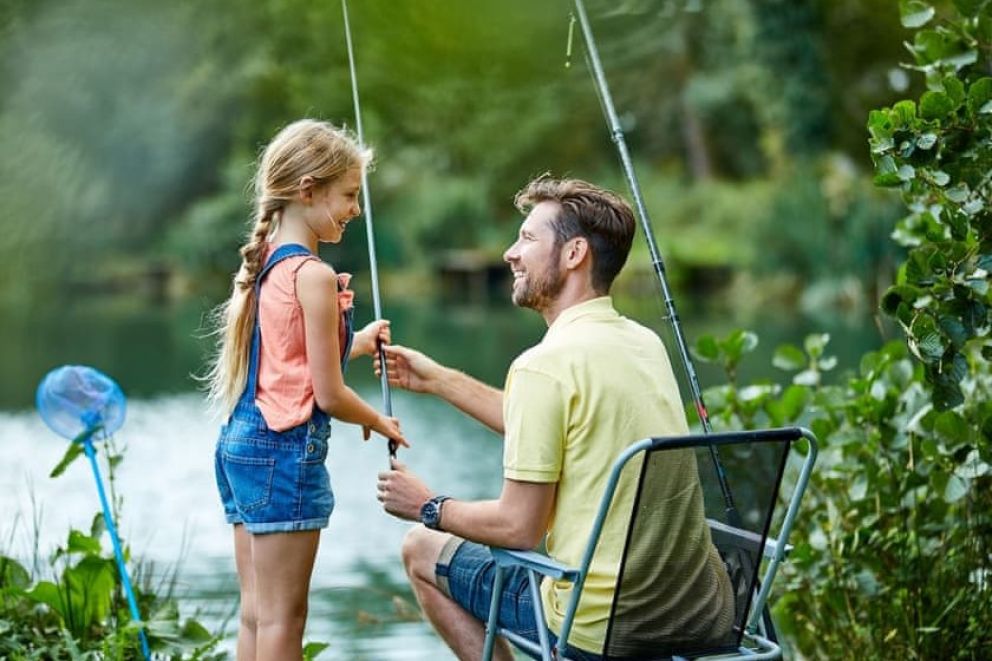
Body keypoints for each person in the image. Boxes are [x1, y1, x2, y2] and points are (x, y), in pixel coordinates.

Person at [375, 176, 733, 660]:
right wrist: (439, 380)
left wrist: (429, 506)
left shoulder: (544, 366)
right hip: (700, 615)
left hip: (603, 626)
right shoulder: (644, 343)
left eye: (527, 238)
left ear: (574, 254)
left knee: (422, 548)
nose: (509, 253)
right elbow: (553, 422)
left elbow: (517, 527)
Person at [206, 119, 407, 661]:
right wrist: (378, 420)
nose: (355, 209)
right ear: (308, 189)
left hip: (242, 447)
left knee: (257, 614)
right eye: (349, 195)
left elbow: (289, 357)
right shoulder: (313, 275)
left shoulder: (270, 262)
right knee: (284, 621)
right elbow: (328, 395)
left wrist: (357, 342)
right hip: (283, 455)